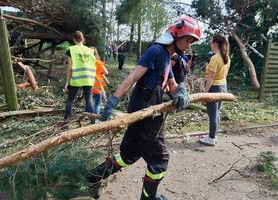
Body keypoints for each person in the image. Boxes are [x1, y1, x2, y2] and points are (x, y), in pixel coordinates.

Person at [86, 16, 201, 200]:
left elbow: (171, 85)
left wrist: (180, 92)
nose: (189, 45)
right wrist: (113, 101)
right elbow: (132, 76)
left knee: (128, 155)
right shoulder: (156, 51)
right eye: (188, 40)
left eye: (191, 42)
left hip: (147, 112)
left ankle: (91, 178)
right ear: (177, 34)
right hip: (145, 114)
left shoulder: (168, 56)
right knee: (160, 160)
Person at [198, 34, 230, 146]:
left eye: (211, 42)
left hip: (214, 88)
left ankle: (211, 138)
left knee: (212, 114)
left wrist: (205, 93)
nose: (210, 44)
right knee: (216, 113)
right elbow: (224, 75)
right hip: (223, 87)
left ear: (215, 44)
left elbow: (211, 78)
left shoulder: (215, 58)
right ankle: (213, 135)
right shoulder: (226, 57)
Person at [64, 31, 96, 120]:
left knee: (70, 100)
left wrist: (67, 82)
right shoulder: (90, 51)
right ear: (82, 39)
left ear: (74, 39)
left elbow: (69, 68)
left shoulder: (72, 49)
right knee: (89, 101)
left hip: (77, 78)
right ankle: (94, 122)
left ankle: (66, 122)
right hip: (88, 79)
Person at [91, 47, 109, 115]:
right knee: (97, 104)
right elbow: (106, 72)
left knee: (89, 103)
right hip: (98, 86)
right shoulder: (98, 62)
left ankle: (90, 116)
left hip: (89, 85)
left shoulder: (87, 63)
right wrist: (100, 73)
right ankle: (95, 119)